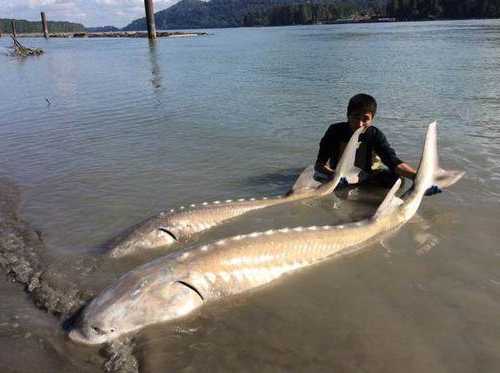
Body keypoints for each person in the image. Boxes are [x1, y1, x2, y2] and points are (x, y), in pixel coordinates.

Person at [314, 93, 440, 195]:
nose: (359, 124)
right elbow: (319, 165)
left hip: (367, 176)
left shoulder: (374, 135)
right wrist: (335, 175)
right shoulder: (334, 131)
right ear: (348, 115)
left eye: (365, 119)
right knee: (317, 177)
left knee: (396, 179)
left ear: (372, 119)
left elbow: (393, 161)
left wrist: (418, 178)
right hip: (339, 176)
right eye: (356, 117)